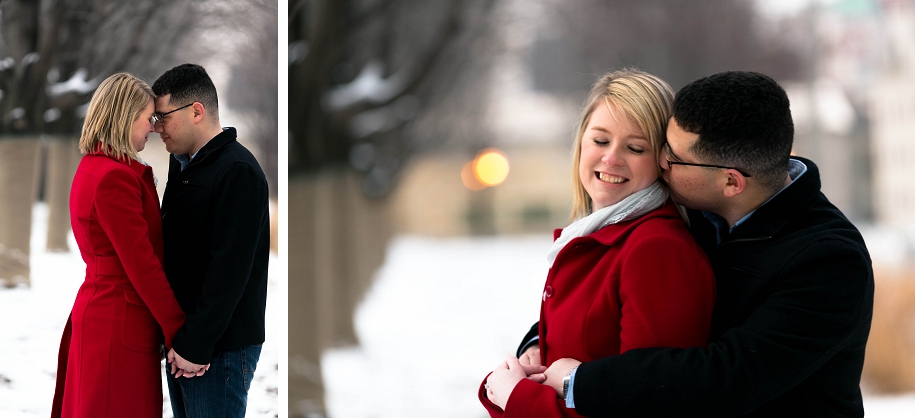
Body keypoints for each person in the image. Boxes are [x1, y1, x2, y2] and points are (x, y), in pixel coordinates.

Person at [527, 71, 875, 417]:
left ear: (731, 182)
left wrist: (580, 382)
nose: (661, 161)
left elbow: (724, 378)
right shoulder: (700, 214)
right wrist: (537, 345)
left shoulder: (829, 260)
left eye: (674, 157)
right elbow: (599, 303)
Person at [479, 69, 717, 417]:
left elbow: (647, 405)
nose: (611, 159)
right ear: (581, 143)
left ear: (664, 161)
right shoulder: (594, 236)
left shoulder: (657, 251)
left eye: (635, 148)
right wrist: (536, 350)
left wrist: (517, 398)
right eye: (601, 141)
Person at [51, 73, 189, 418]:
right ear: (126, 117)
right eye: (149, 118)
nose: (154, 127)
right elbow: (142, 264)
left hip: (104, 314)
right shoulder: (114, 177)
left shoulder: (94, 167)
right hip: (119, 320)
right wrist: (178, 331)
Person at [152, 63, 270, 418]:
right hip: (186, 342)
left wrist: (195, 346)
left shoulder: (237, 171)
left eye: (162, 117)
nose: (156, 128)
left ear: (196, 112)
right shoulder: (183, 164)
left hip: (221, 348)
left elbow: (229, 272)